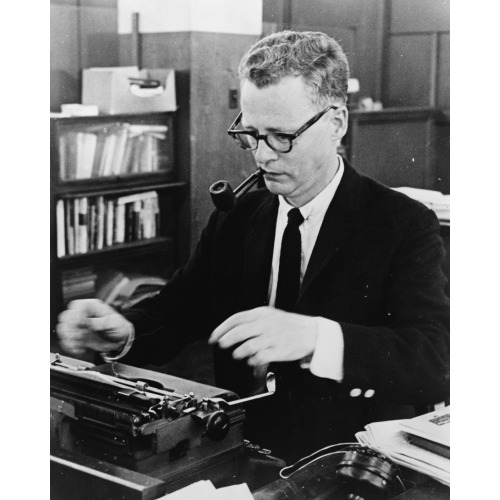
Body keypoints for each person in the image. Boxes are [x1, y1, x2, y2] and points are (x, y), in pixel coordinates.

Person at [57, 30, 449, 463]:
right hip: (238, 449)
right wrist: (123, 331)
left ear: (336, 123)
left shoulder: (403, 223)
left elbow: (436, 361)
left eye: (281, 136)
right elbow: (180, 308)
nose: (261, 157)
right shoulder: (238, 215)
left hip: (347, 458)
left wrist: (317, 338)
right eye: (250, 134)